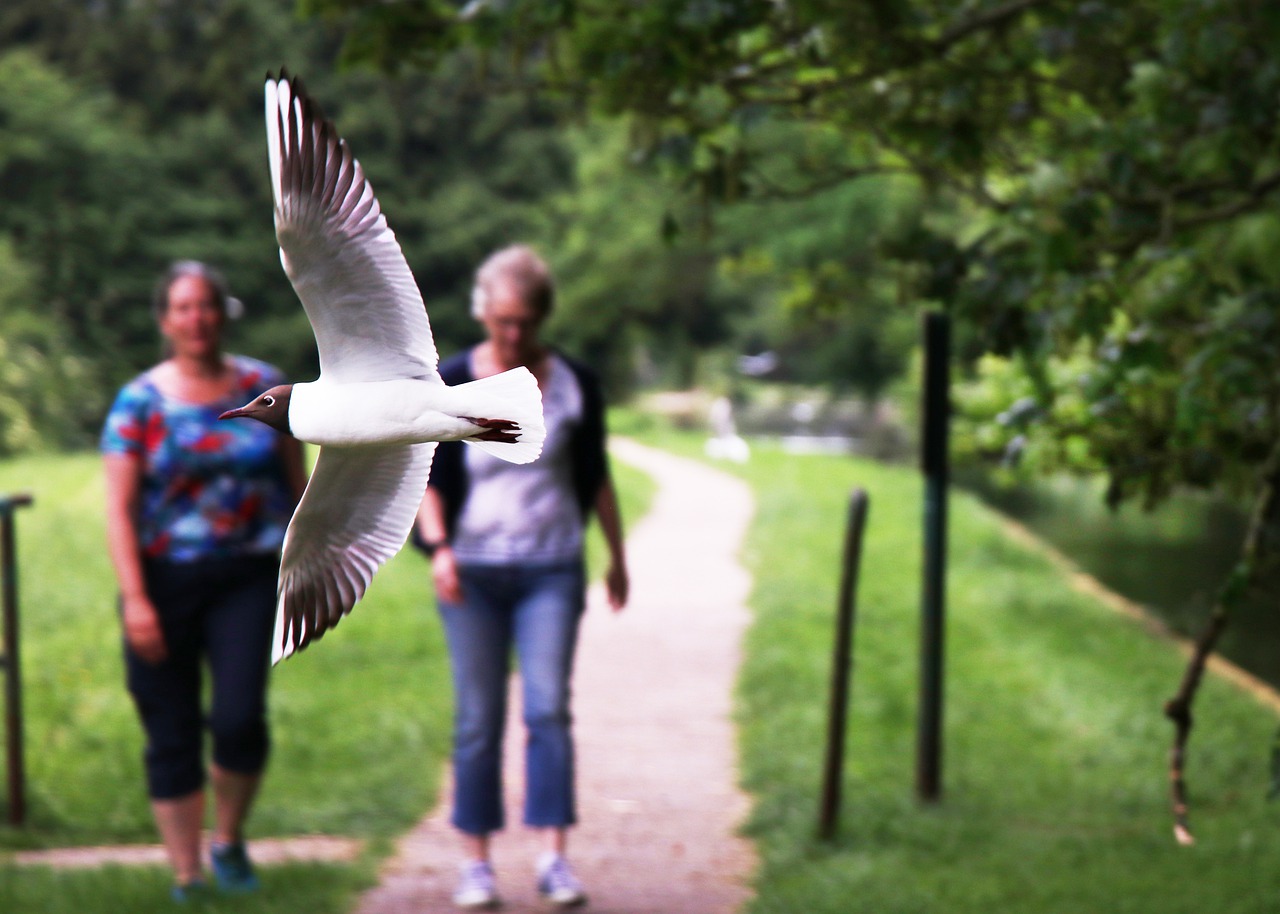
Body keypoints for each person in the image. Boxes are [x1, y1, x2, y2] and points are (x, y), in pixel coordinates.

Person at [414, 244, 629, 910]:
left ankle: (553, 858)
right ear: (484, 313)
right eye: (502, 321)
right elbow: (427, 479)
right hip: (473, 570)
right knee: (479, 718)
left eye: (524, 323)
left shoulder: (573, 383)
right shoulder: (453, 379)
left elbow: (593, 476)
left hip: (550, 568)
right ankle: (476, 863)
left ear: (541, 317)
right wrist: (441, 549)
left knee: (547, 709)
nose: (512, 335)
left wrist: (619, 555)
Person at [101, 261, 307, 902]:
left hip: (248, 575)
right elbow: (119, 509)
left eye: (208, 305)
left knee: (239, 716)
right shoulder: (138, 402)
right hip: (162, 580)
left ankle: (230, 840)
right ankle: (186, 872)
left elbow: (297, 486)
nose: (197, 319)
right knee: (170, 725)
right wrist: (136, 600)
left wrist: (317, 560)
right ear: (166, 320)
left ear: (224, 312)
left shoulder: (266, 386)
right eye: (184, 308)